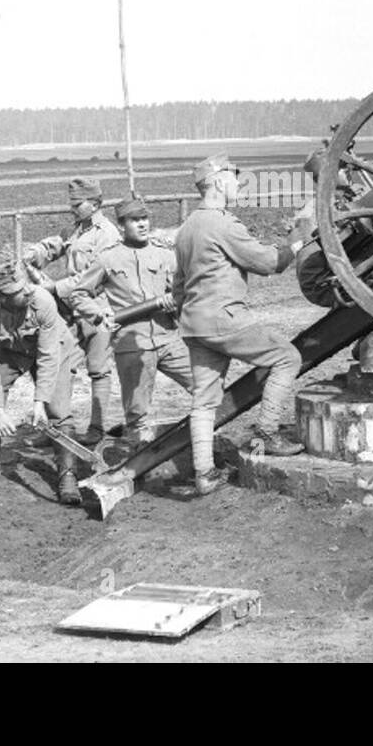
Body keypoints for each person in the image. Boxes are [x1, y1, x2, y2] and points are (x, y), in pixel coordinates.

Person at [173, 153, 312, 496]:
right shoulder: (222, 224)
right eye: (234, 178)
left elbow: (178, 285)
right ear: (219, 182)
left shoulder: (187, 227)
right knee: (287, 358)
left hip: (194, 324)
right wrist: (298, 241)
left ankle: (204, 474)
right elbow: (267, 263)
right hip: (224, 319)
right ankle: (266, 433)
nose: (238, 184)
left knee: (204, 402)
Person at [67, 197, 192, 447]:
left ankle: (200, 446)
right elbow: (78, 294)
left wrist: (175, 301)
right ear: (122, 225)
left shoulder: (165, 255)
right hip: (132, 344)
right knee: (137, 414)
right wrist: (99, 314)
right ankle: (139, 465)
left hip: (168, 337)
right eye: (135, 220)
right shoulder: (107, 259)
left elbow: (184, 291)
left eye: (144, 219)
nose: (142, 225)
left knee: (204, 386)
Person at [0, 261, 86, 505]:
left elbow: (49, 356)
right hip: (10, 352)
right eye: (17, 292)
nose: (26, 293)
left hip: (53, 350)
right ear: (1, 297)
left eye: (25, 287)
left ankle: (68, 476)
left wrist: (40, 403)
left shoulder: (42, 301)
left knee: (58, 411)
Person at [24, 177, 121, 446]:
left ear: (96, 203)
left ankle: (97, 428)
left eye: (78, 204)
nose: (73, 208)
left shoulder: (108, 234)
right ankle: (59, 426)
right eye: (72, 203)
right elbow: (58, 244)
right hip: (73, 312)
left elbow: (95, 276)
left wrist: (55, 288)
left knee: (98, 369)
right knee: (59, 365)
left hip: (98, 310)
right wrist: (35, 253)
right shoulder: (78, 229)